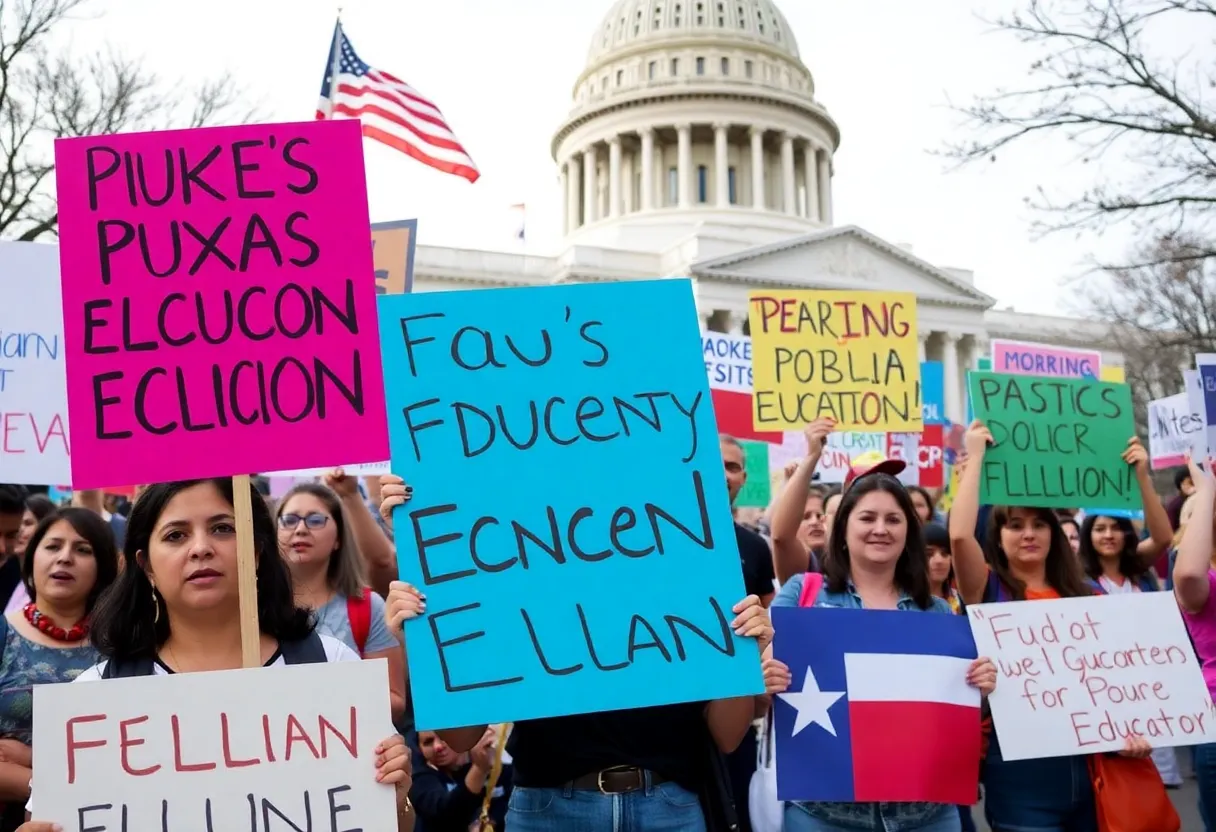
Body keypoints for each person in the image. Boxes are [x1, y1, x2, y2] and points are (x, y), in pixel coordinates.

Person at [378, 475, 779, 832]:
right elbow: (462, 736)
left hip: (669, 806)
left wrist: (742, 662)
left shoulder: (689, 570)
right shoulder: (519, 572)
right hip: (549, 808)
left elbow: (726, 737)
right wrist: (429, 643)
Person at [18, 478, 415, 832]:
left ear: (256, 552)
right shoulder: (95, 700)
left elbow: (388, 822)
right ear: (146, 566)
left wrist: (394, 800)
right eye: (175, 536)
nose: (201, 548)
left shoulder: (331, 666)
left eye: (223, 528)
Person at [766, 446, 996, 832]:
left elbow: (955, 713)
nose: (880, 529)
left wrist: (981, 687)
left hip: (925, 816)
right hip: (825, 816)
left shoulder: (938, 613)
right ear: (843, 529)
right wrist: (765, 675)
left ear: (908, 532)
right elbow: (763, 680)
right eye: (867, 517)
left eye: (893, 519)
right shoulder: (802, 595)